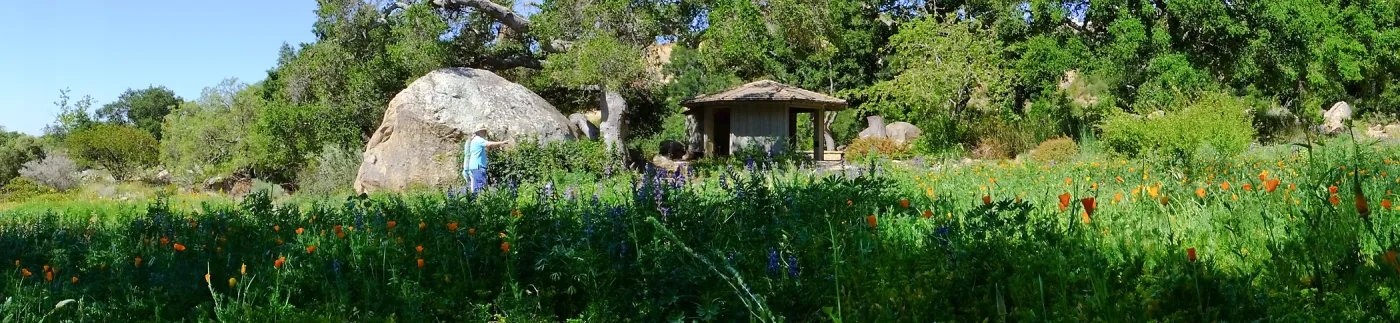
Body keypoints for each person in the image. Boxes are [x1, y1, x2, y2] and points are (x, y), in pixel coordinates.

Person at [463, 124, 510, 193]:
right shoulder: (478, 139)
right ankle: (477, 201)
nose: (485, 133)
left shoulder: (475, 140)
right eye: (484, 131)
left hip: (475, 166)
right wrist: (502, 143)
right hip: (478, 166)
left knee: (475, 186)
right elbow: (489, 144)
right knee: (479, 187)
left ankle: (474, 201)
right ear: (480, 131)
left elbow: (484, 150)